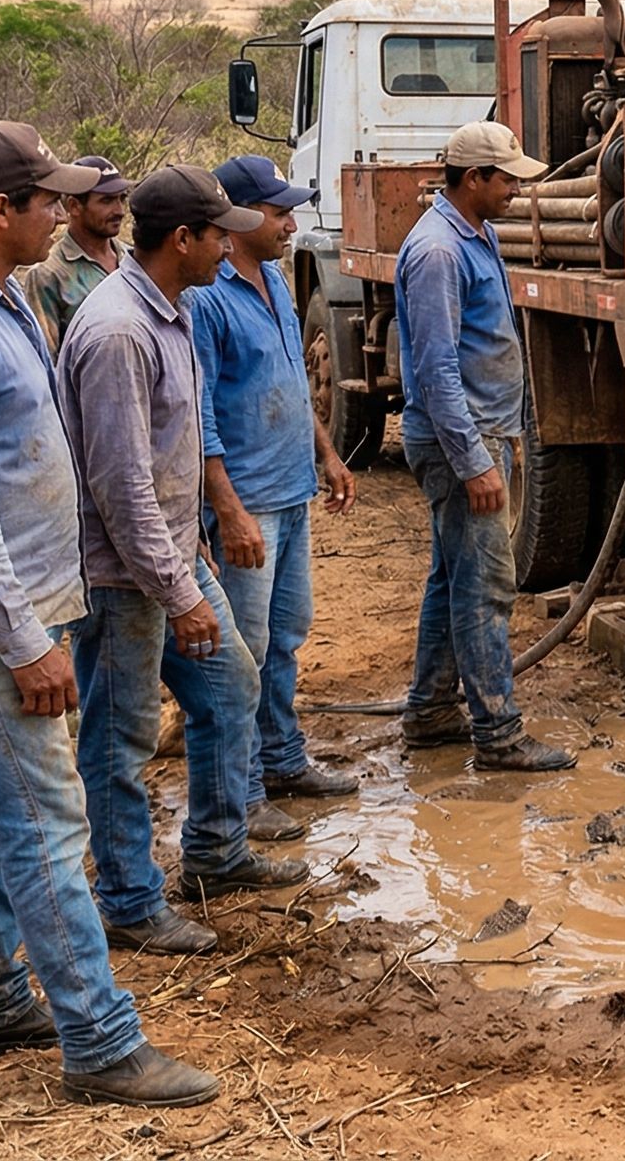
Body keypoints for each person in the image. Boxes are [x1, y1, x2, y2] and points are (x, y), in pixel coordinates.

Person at [0, 120, 215, 1106]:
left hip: (8, 608)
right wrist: (24, 641)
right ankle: (99, 1042)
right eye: (47, 200)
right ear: (0, 210)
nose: (63, 214)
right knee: (46, 825)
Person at [59, 165, 304, 955]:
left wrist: (191, 541)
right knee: (120, 736)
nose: (228, 247)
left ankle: (216, 853)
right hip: (123, 575)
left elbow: (171, 447)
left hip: (170, 553)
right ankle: (129, 900)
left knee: (230, 688)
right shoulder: (118, 331)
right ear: (182, 240)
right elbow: (120, 483)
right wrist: (180, 590)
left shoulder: (173, 310)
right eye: (217, 235)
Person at [394, 121, 577, 770]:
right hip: (459, 441)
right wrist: (475, 462)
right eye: (506, 180)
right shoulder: (439, 252)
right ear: (473, 179)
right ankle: (497, 733)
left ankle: (431, 711)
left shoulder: (477, 234)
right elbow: (437, 369)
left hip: (477, 432)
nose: (515, 191)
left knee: (452, 578)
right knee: (486, 588)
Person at [192, 155, 360, 807]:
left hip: (290, 492)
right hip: (249, 503)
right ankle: (240, 794)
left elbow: (290, 380)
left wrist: (328, 454)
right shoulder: (207, 299)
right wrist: (227, 509)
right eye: (278, 212)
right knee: (243, 652)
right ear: (236, 219)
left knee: (285, 635)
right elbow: (199, 415)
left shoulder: (273, 280)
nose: (291, 225)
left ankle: (282, 760)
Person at [18, 155, 131, 349]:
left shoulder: (133, 259)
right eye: (107, 200)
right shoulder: (48, 275)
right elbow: (46, 355)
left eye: (122, 198)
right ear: (74, 206)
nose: (119, 210)